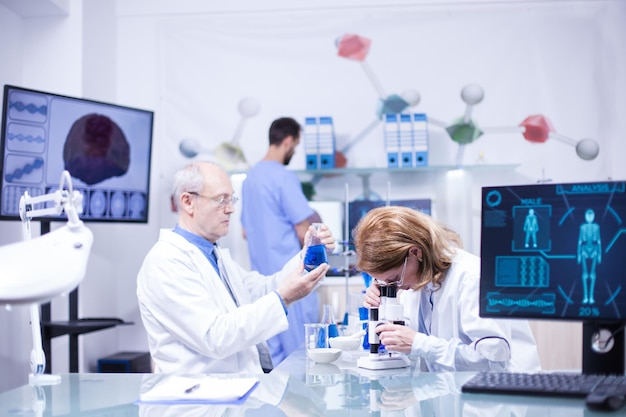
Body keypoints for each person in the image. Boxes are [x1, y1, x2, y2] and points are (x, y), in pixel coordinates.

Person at [136, 161, 334, 374]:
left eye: (231, 199)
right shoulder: (166, 262)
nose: (230, 209)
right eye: (221, 200)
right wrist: (283, 298)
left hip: (234, 394)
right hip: (197, 400)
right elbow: (214, 337)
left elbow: (263, 290)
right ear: (188, 202)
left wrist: (308, 256)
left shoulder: (214, 255)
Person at [355, 206, 541, 372]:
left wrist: (419, 343)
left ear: (415, 252)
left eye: (395, 279)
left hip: (502, 399)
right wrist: (382, 307)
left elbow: (491, 359)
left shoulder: (473, 278)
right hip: (451, 393)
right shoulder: (419, 280)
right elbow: (411, 343)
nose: (398, 287)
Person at [241, 117, 321, 365]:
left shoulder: (249, 179)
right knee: (300, 356)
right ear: (288, 141)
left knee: (274, 358)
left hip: (263, 283)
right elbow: (303, 230)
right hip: (290, 277)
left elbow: (245, 232)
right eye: (296, 145)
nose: (294, 151)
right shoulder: (283, 177)